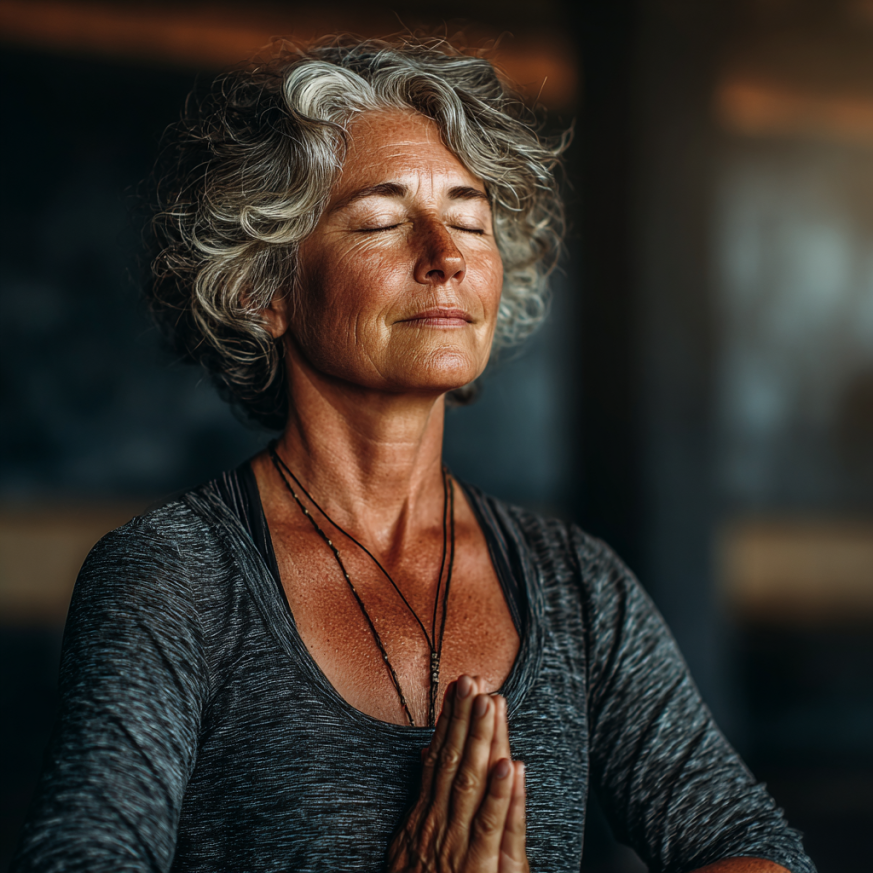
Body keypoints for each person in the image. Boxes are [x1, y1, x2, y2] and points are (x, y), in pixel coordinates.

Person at [12, 37, 815, 873]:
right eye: (382, 221)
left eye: (469, 219)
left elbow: (747, 845)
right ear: (264, 288)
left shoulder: (574, 585)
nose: (447, 255)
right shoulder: (172, 578)